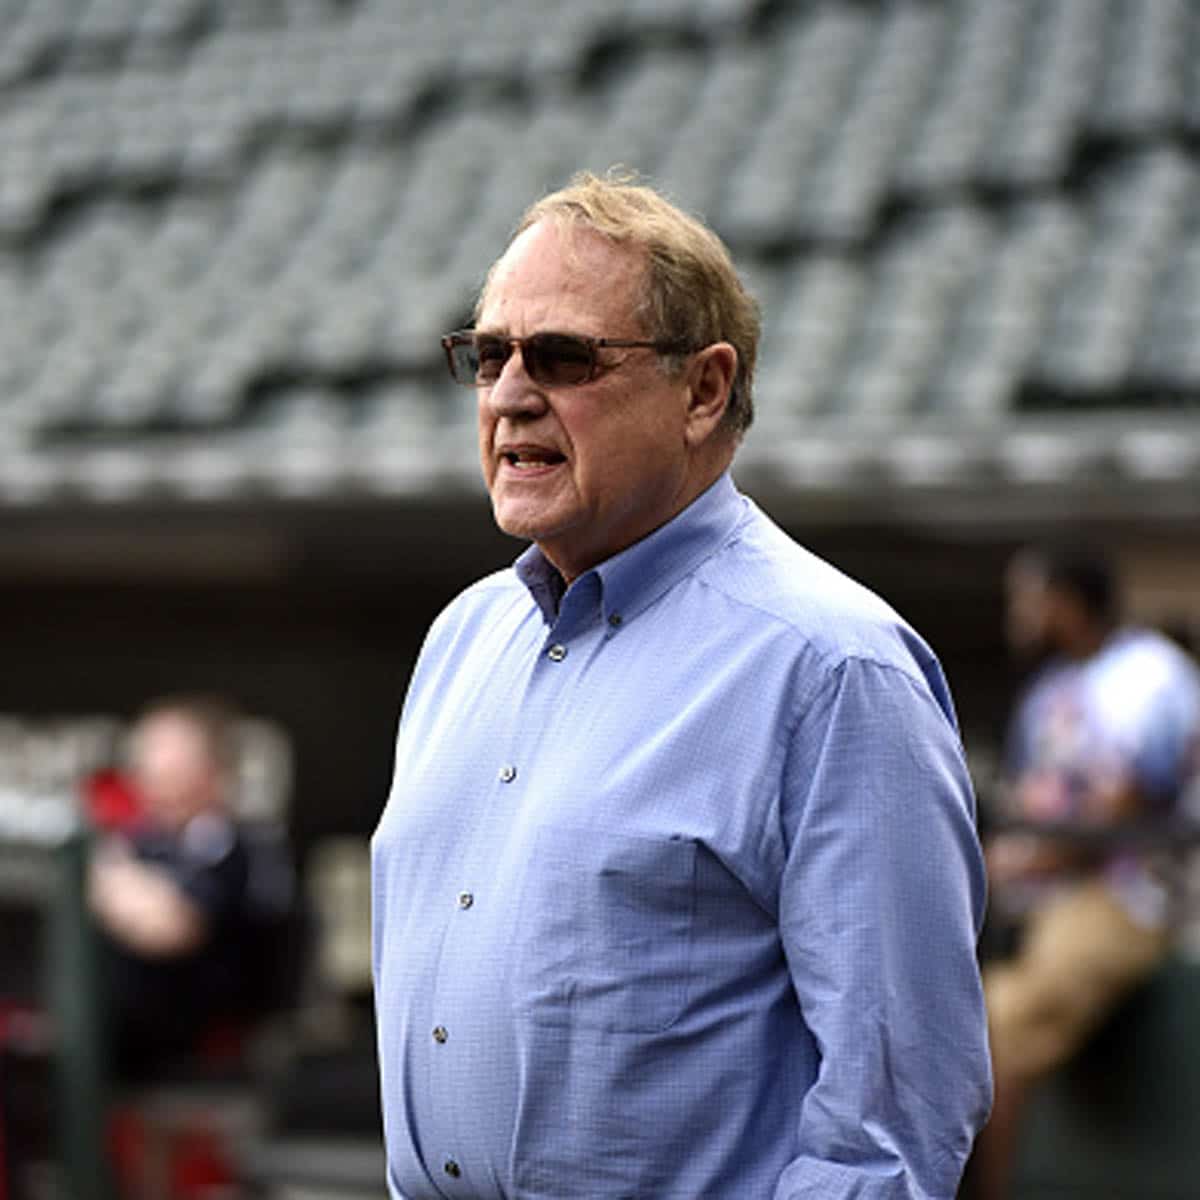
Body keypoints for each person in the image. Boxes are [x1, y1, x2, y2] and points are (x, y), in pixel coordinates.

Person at [370, 172, 992, 1199]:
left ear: (703, 391)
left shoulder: (835, 669)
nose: (512, 393)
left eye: (564, 356)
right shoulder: (460, 639)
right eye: (489, 357)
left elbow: (897, 1121)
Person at [971, 546, 1200, 1200]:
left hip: (1132, 896)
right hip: (1040, 900)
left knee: (998, 1030)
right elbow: (1032, 798)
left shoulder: (1149, 674)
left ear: (1069, 601)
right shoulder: (1051, 688)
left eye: (1032, 597)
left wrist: (1018, 859)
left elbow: (1122, 806)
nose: (1021, 613)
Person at [89, 695, 255, 1081]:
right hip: (117, 1053)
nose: (150, 767)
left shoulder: (225, 843)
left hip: (188, 1060)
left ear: (210, 768)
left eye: (167, 754)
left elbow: (173, 929)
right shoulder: (144, 840)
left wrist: (107, 878)